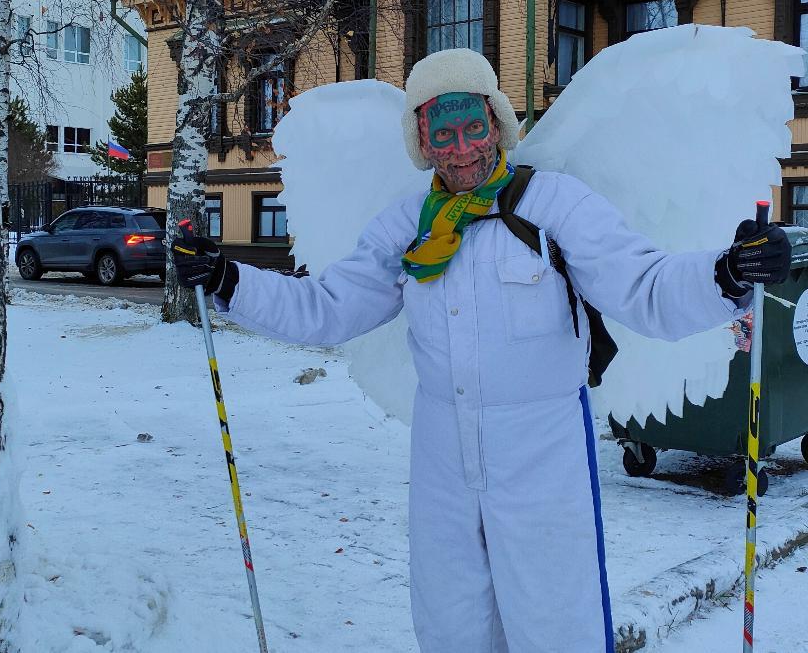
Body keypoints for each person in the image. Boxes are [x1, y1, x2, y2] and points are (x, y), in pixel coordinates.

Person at [171, 48, 791, 652]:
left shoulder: (555, 204)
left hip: (542, 449)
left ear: (497, 122)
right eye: (443, 133)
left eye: (474, 127)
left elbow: (643, 285)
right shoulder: (410, 225)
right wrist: (230, 280)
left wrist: (729, 273)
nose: (462, 148)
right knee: (451, 621)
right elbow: (328, 307)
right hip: (443, 449)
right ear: (422, 141)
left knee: (556, 621)